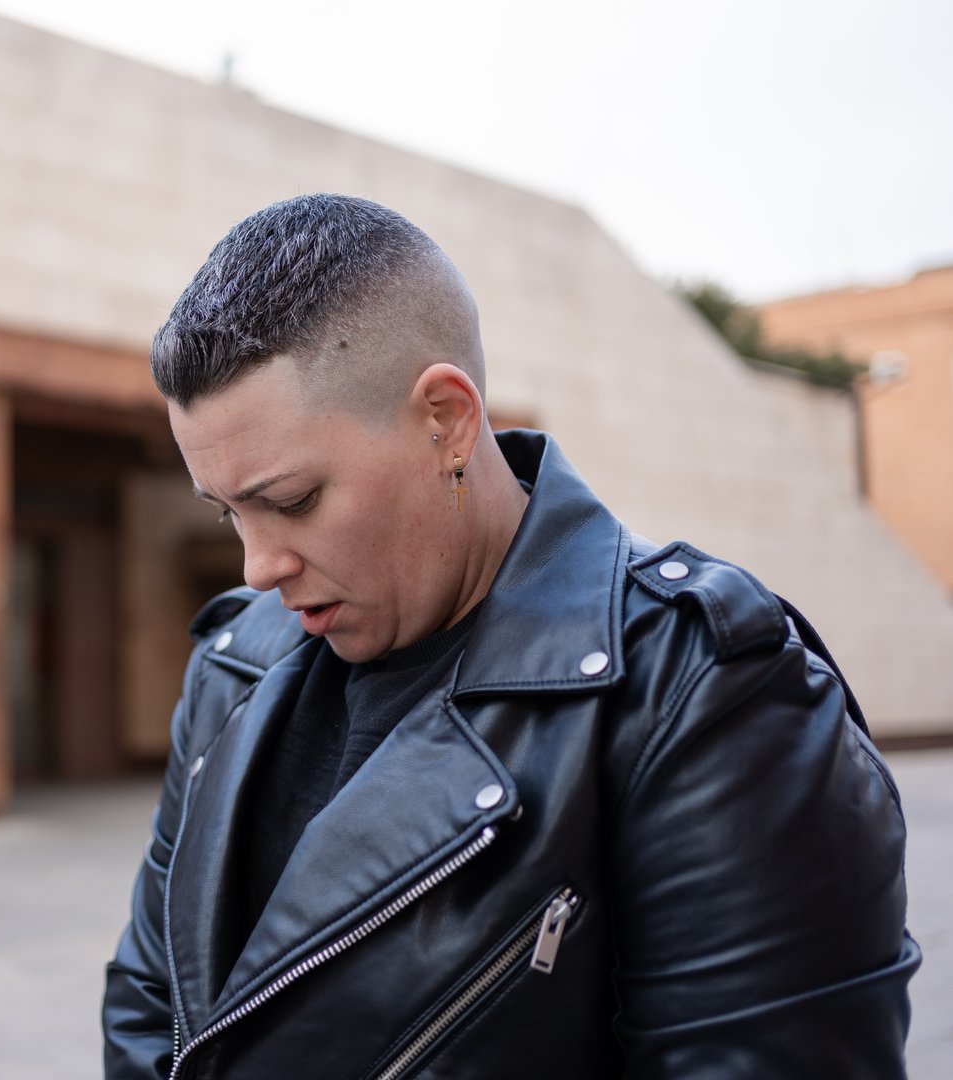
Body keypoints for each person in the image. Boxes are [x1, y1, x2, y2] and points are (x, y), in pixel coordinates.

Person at [101, 194, 917, 1079]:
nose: (258, 567)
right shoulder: (234, 665)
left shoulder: (702, 692)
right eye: (228, 512)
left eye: (293, 501)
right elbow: (151, 1006)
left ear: (447, 421)